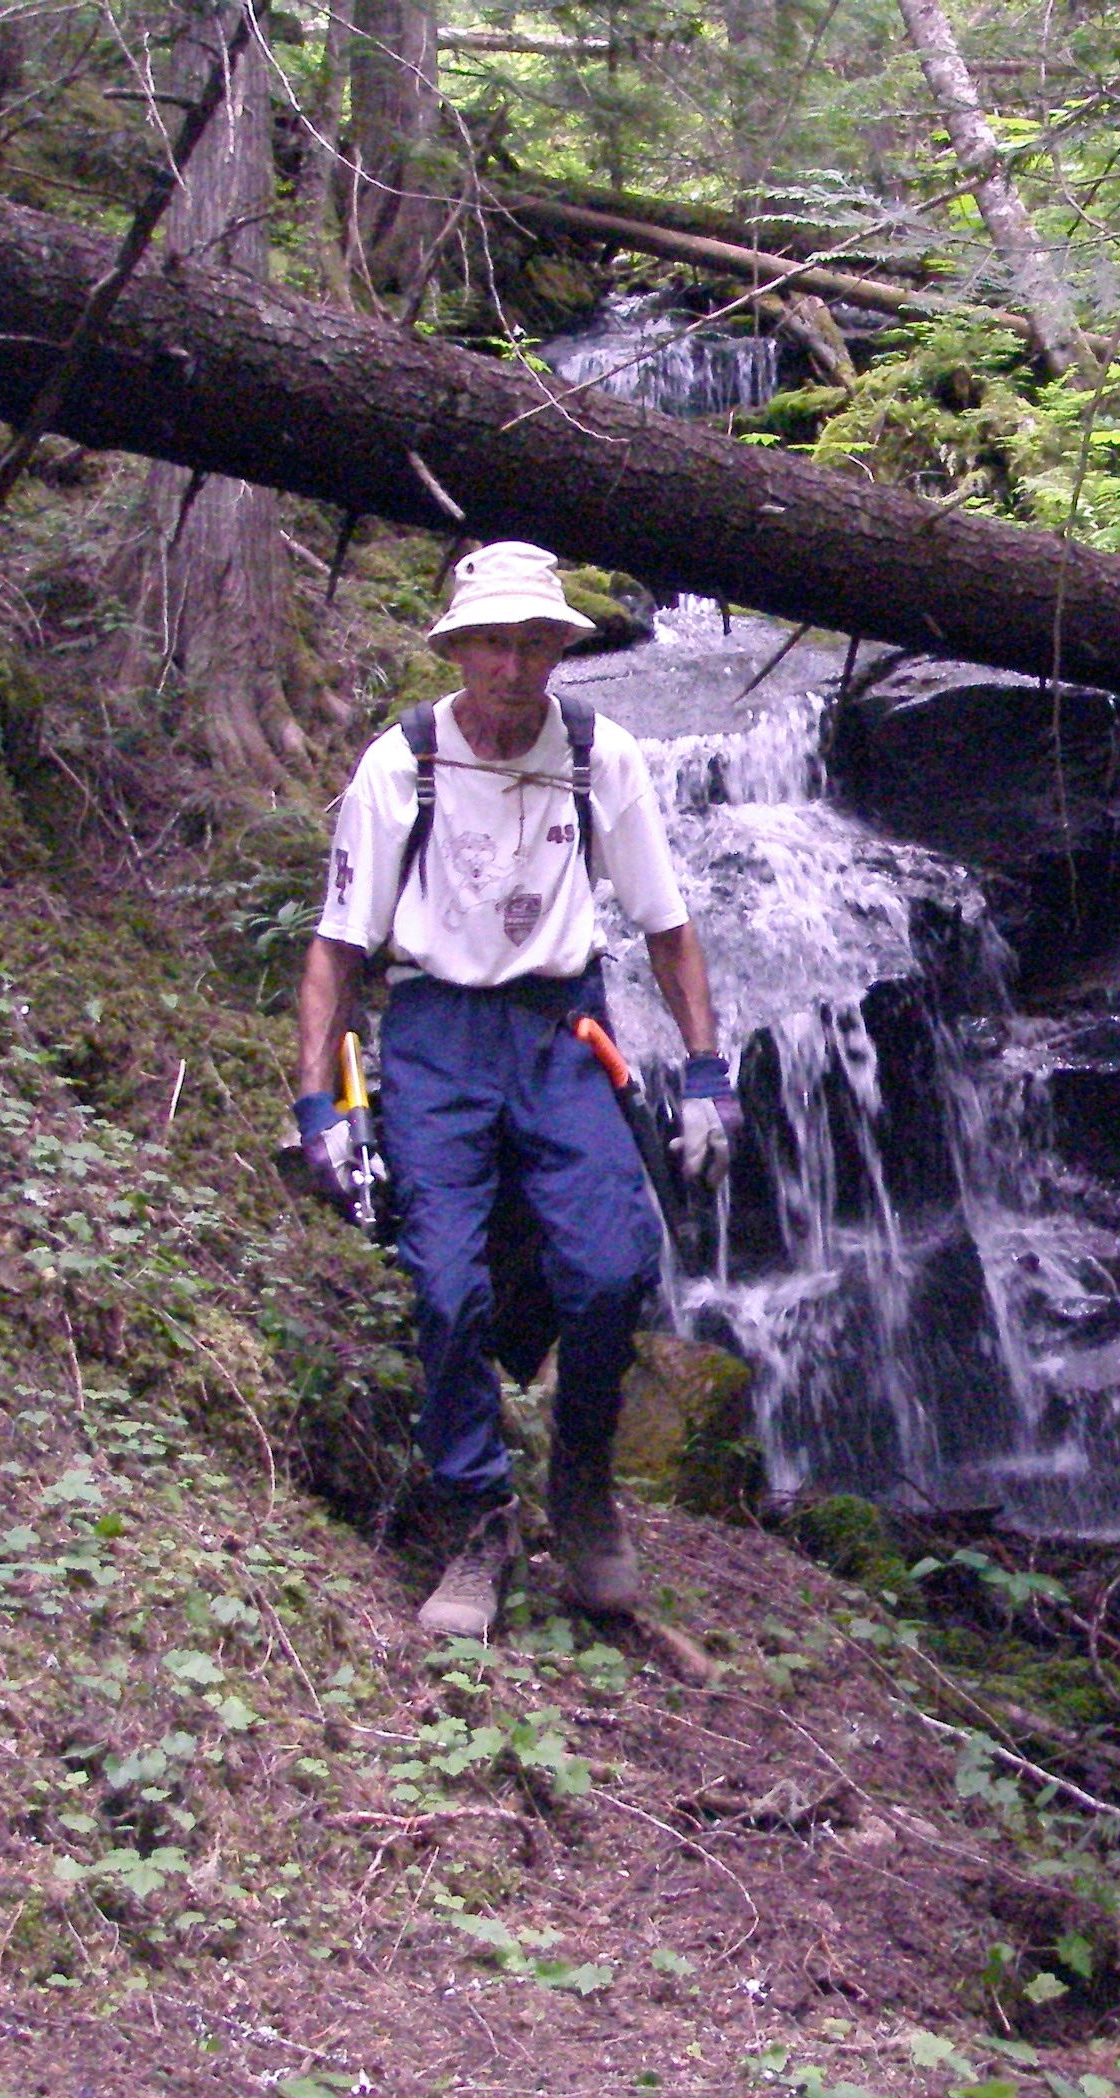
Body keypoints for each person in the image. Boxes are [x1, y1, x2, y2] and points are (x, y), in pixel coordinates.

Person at [290, 542, 737, 1638]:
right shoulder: (403, 765)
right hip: (436, 1036)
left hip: (560, 1029)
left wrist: (704, 1077)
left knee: (613, 1265)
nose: (512, 665)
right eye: (491, 642)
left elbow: (668, 927)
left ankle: (581, 1486)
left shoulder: (599, 754)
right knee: (447, 1287)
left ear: (557, 649)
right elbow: (336, 952)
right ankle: (476, 1524)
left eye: (534, 643)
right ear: (456, 649)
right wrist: (321, 1110)